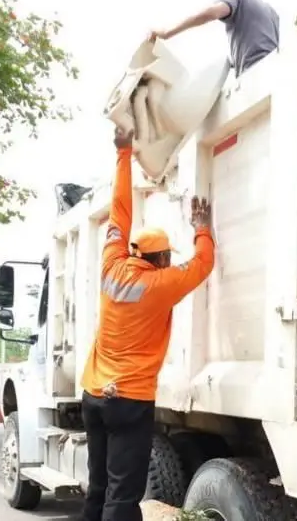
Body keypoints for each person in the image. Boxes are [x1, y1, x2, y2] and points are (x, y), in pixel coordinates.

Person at [80, 127, 215, 521]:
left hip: (94, 395)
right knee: (123, 496)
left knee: (99, 486)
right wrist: (202, 227)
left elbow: (120, 210)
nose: (171, 263)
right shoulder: (160, 284)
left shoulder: (111, 263)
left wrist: (123, 155)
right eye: (167, 258)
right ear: (158, 259)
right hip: (129, 400)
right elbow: (203, 263)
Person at [149, 0, 279, 77]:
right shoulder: (272, 12)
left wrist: (166, 33)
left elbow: (209, 14)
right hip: (274, 70)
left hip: (253, 72)